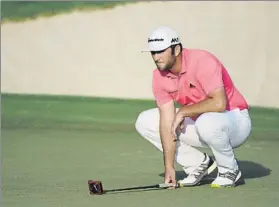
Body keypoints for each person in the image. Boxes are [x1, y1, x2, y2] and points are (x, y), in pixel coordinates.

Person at [135, 26, 252, 188]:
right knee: (145, 121)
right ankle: (198, 164)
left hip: (235, 121)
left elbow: (219, 103)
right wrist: (169, 167)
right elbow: (166, 124)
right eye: (153, 53)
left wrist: (183, 111)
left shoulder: (202, 60)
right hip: (201, 124)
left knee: (207, 121)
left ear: (176, 49)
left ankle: (229, 170)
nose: (156, 57)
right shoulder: (159, 76)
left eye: (161, 51)